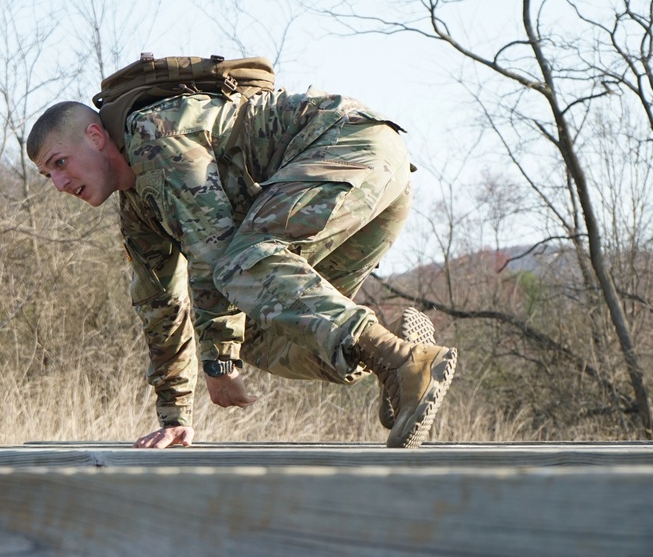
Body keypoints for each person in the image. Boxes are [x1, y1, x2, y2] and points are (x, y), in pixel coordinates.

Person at [26, 84, 457, 449]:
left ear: (97, 137)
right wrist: (175, 414)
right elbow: (160, 305)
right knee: (258, 332)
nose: (61, 185)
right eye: (49, 177)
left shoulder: (155, 135)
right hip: (371, 173)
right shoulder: (139, 206)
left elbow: (212, 253)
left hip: (349, 147)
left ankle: (404, 362)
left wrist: (218, 364)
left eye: (60, 163)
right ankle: (388, 355)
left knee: (237, 268)